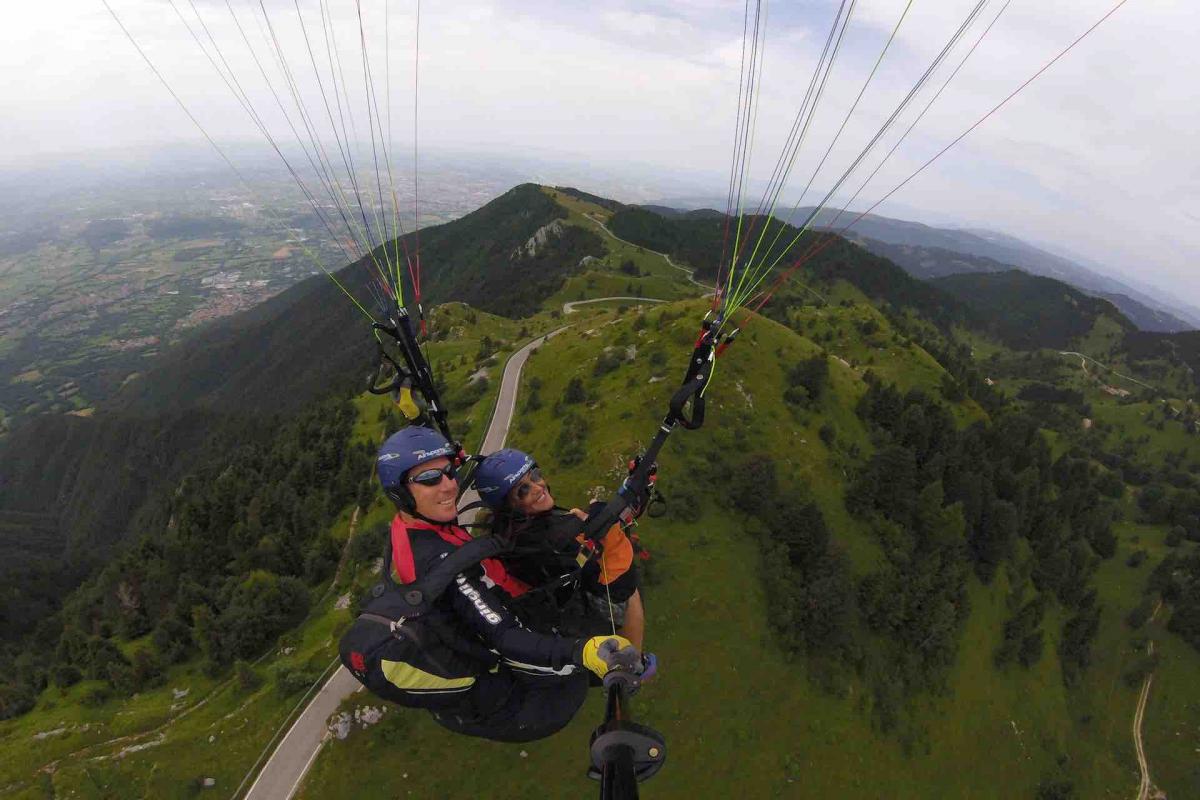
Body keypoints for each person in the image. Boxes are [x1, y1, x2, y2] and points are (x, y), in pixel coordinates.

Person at [362, 426, 643, 743]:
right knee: (621, 605)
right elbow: (504, 636)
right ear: (400, 493)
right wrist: (585, 651)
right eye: (430, 479)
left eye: (449, 472)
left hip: (501, 613)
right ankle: (635, 668)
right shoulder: (442, 566)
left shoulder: (417, 522)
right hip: (533, 702)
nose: (449, 487)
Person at [473, 448, 646, 649]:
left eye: (535, 476)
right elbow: (618, 586)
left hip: (553, 607)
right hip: (580, 617)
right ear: (507, 506)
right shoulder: (555, 537)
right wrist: (607, 531)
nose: (537, 488)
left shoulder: (507, 532)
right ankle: (634, 661)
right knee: (633, 592)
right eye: (522, 490)